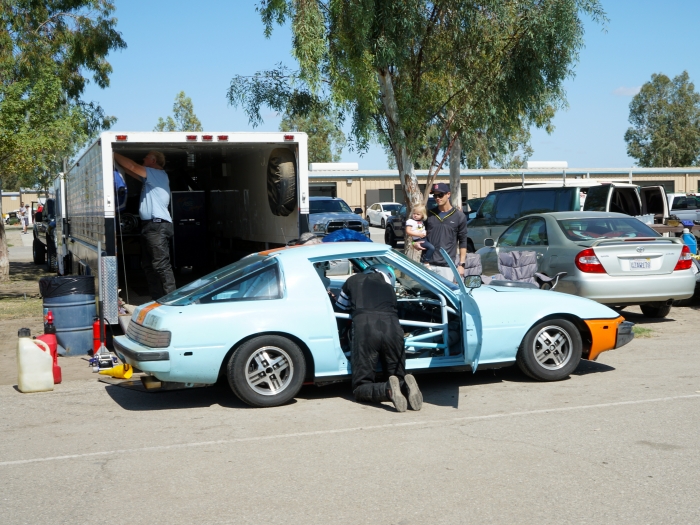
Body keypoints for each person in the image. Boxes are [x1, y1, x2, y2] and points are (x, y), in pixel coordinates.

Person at [335, 264, 422, 412]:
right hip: (393, 328)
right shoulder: (389, 289)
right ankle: (405, 386)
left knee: (361, 385)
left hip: (365, 327)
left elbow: (340, 310)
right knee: (396, 374)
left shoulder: (352, 280)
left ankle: (387, 390)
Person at [114, 151, 176, 300]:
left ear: (153, 161)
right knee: (149, 266)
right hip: (150, 227)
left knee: (161, 265)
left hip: (157, 226)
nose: (143, 159)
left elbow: (132, 166)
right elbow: (130, 171)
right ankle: (157, 299)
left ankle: (172, 300)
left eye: (146, 157)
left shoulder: (156, 173)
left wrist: (113, 152)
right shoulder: (151, 178)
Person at [424, 183, 468, 281]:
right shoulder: (429, 214)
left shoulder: (459, 216)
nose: (437, 198)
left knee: (446, 296)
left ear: (448, 194)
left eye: (440, 195)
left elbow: (463, 242)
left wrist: (461, 264)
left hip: (447, 266)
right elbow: (420, 235)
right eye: (435, 195)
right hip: (427, 265)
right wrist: (415, 243)